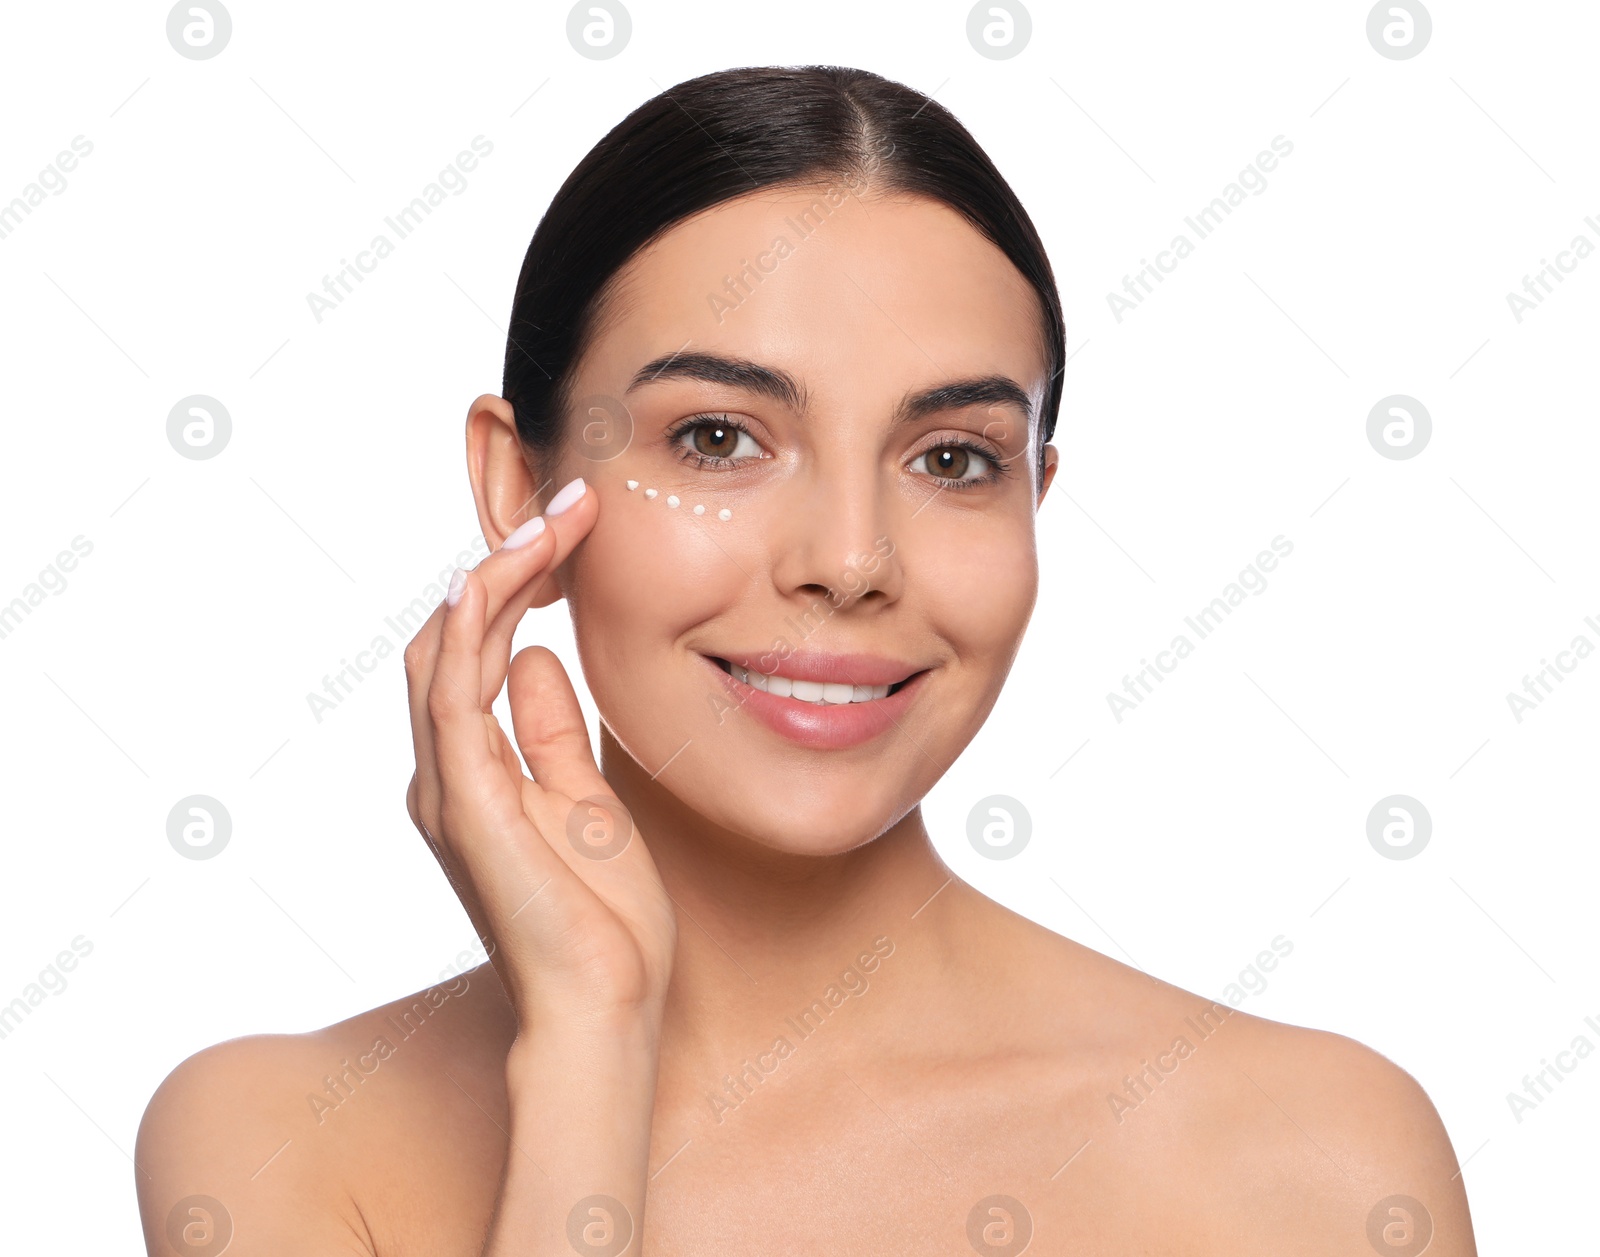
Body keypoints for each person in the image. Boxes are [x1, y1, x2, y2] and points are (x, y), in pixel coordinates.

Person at [135, 65, 1477, 1255]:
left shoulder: (1320, 1159)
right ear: (520, 481)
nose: (849, 557)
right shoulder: (276, 1142)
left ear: (1034, 500)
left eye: (952, 459)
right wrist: (591, 1048)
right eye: (718, 438)